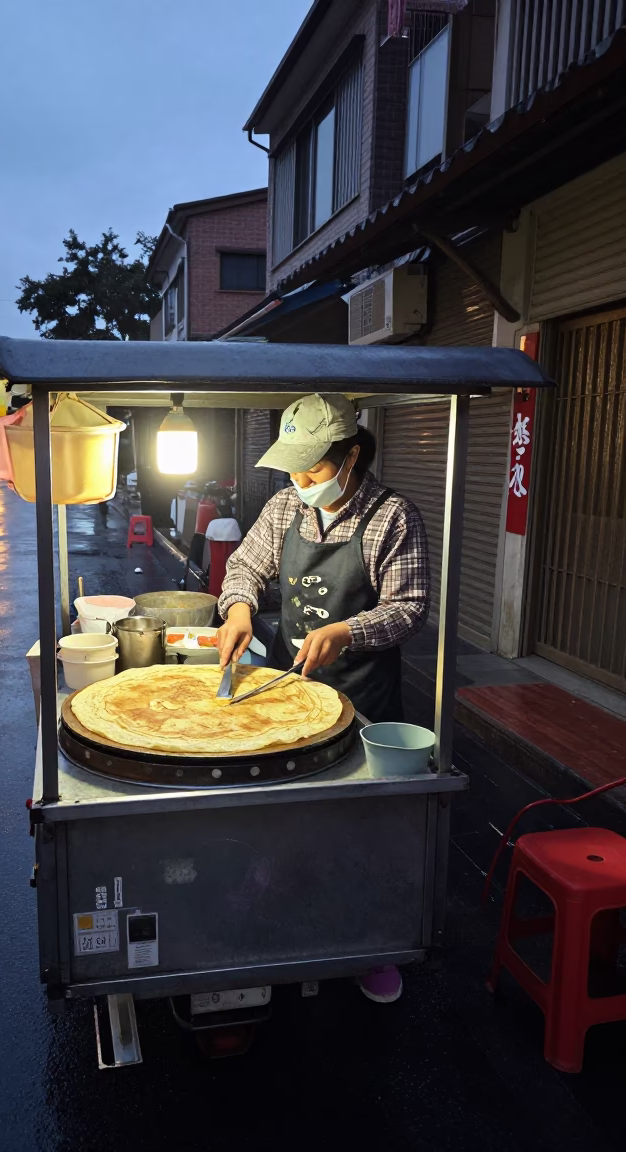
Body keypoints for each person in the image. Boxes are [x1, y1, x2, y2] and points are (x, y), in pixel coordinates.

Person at [216, 393, 430, 1005]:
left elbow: (410, 607)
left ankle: (369, 943)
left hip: (363, 699)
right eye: (294, 471)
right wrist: (238, 608)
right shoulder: (286, 505)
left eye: (312, 471)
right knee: (284, 817)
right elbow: (245, 566)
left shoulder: (393, 516)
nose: (300, 484)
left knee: (362, 830)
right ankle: (274, 922)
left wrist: (348, 631)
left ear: (351, 456)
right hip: (291, 691)